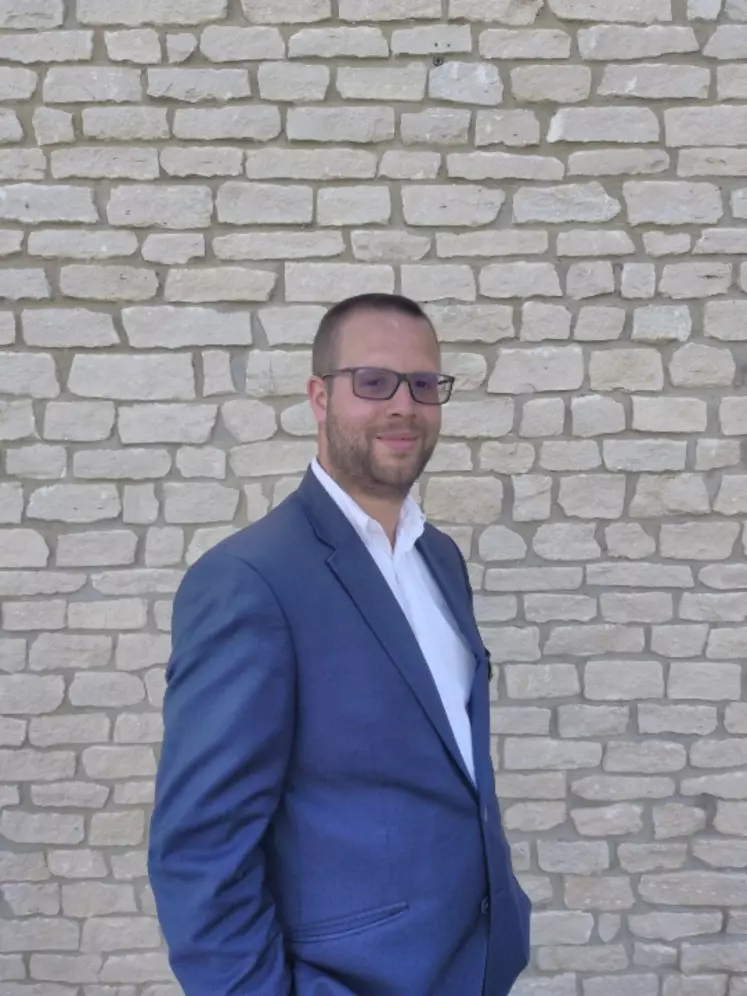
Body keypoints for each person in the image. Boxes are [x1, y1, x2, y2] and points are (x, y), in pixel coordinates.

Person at [148, 293, 531, 996]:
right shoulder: (250, 582)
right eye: (374, 382)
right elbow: (200, 850)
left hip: (474, 965)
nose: (403, 406)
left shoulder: (438, 559)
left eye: (423, 385)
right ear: (318, 397)